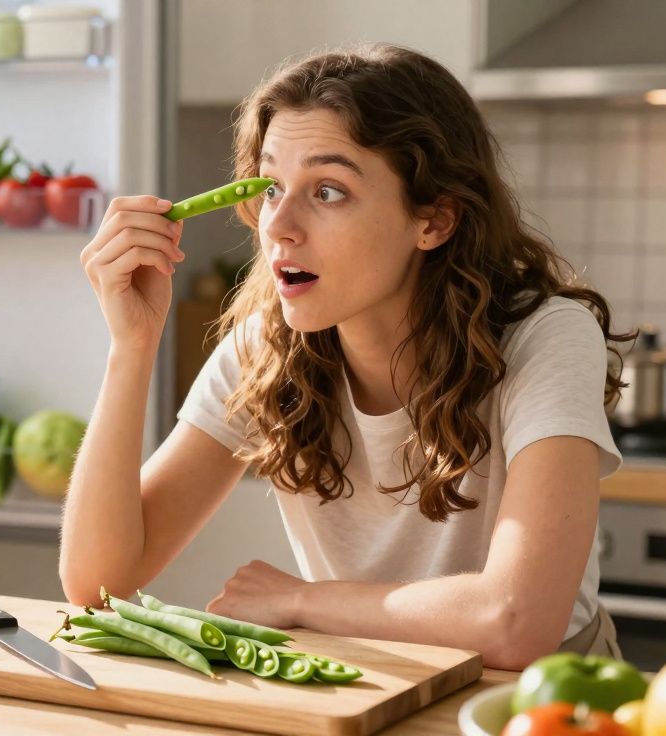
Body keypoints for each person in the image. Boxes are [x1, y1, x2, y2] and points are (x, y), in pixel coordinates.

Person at [59, 44, 631, 670]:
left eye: (328, 191)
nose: (279, 225)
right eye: (272, 186)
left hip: (537, 696)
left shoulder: (545, 337)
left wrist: (303, 601)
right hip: (369, 680)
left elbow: (518, 621)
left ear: (435, 220)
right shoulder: (265, 347)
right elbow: (98, 583)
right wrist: (131, 346)